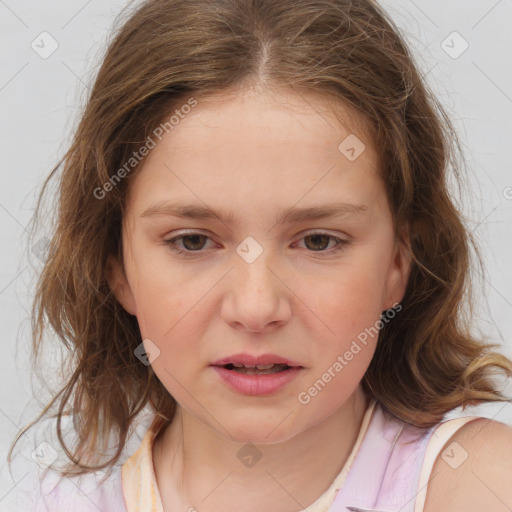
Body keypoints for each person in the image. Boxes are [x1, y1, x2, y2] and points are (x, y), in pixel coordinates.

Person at [6, 0, 512, 511]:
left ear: (400, 261)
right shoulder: (44, 500)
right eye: (193, 241)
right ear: (116, 265)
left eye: (318, 241)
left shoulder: (481, 488)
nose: (255, 308)